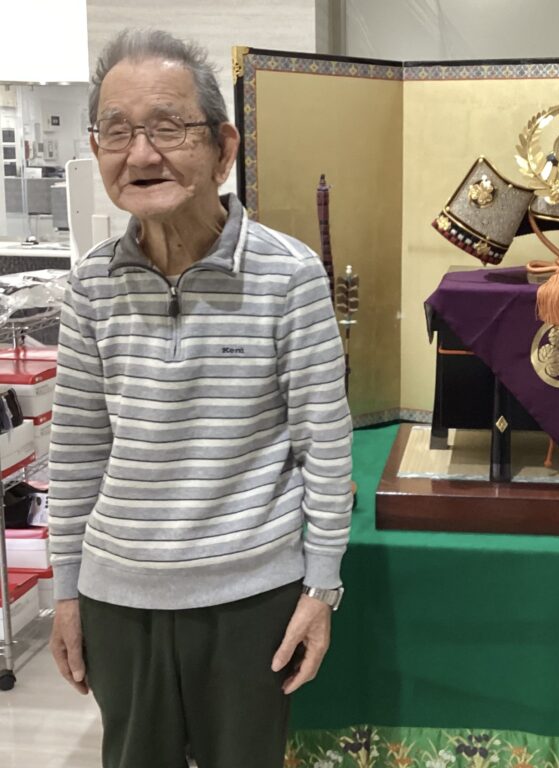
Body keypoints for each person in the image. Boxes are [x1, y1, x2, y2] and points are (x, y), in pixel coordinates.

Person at [46, 28, 352, 768]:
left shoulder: (290, 275)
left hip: (253, 601)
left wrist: (321, 588)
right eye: (117, 131)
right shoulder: (89, 287)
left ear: (223, 148)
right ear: (96, 151)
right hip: (119, 599)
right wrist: (67, 593)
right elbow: (77, 451)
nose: (141, 154)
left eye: (168, 127)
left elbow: (323, 446)